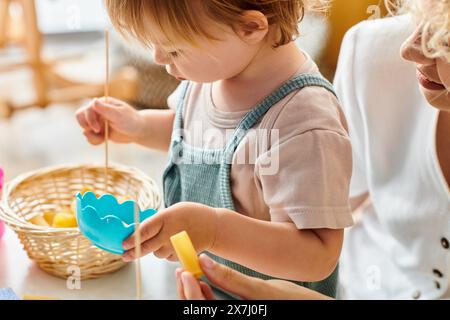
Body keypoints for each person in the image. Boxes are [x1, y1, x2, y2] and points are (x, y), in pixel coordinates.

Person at [75, 0, 353, 298]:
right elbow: (200, 134)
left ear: (250, 27)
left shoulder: (304, 122)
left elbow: (317, 256)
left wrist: (214, 231)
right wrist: (139, 127)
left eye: (174, 49)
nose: (157, 57)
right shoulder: (211, 74)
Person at [175, 0, 450, 300]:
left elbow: (317, 250)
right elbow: (333, 202)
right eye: (422, 14)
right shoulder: (373, 53)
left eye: (445, 41)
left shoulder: (305, 111)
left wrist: (217, 231)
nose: (409, 49)